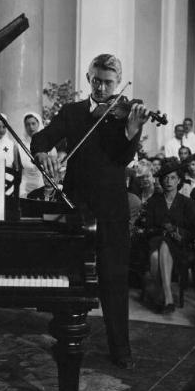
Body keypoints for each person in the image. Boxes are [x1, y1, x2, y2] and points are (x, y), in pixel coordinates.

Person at [31, 53, 151, 369]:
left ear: (117, 83)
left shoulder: (123, 115)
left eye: (107, 82)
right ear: (88, 78)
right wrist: (42, 152)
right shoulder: (71, 113)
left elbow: (122, 158)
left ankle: (120, 349)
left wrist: (132, 129)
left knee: (114, 278)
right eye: (96, 80)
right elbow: (42, 137)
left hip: (112, 209)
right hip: (75, 206)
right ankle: (65, 336)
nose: (100, 87)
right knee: (71, 275)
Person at [135, 160, 195, 314]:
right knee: (161, 244)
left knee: (158, 254)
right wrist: (164, 230)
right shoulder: (153, 202)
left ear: (179, 180)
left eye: (172, 178)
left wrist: (175, 230)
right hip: (155, 240)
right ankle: (167, 295)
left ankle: (161, 294)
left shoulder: (187, 203)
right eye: (165, 178)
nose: (168, 181)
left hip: (179, 244)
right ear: (161, 180)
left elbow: (193, 229)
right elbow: (148, 227)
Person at [20, 112, 54, 197]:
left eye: (33, 123)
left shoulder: (50, 146)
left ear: (38, 123)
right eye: (27, 124)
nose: (31, 127)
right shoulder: (19, 146)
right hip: (24, 188)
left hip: (43, 187)